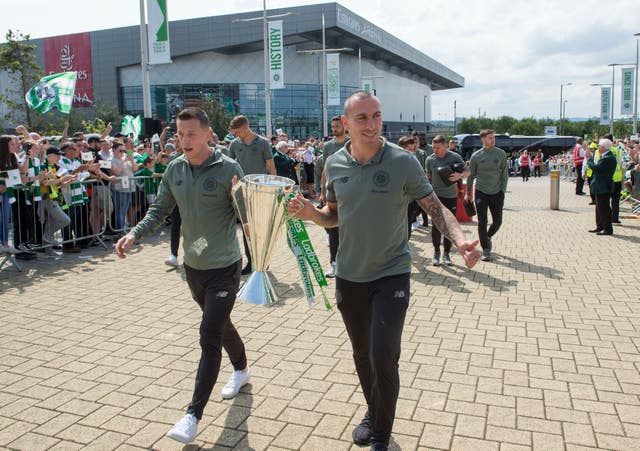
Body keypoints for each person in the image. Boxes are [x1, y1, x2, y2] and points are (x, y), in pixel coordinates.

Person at [287, 91, 481, 451]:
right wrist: (311, 215)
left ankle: (380, 436)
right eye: (361, 118)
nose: (372, 124)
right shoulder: (335, 164)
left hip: (391, 274)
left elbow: (435, 207)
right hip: (349, 274)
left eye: (376, 115)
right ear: (345, 124)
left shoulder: (402, 161)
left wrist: (459, 241)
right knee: (362, 355)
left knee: (383, 356)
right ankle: (374, 411)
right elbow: (333, 217)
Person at [116, 107, 251, 444]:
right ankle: (242, 369)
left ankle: (192, 416)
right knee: (220, 325)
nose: (184, 140)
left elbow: (247, 214)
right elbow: (159, 210)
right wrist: (134, 234)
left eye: (191, 134)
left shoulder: (228, 168)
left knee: (208, 336)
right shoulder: (174, 169)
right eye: (179, 134)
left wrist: (260, 254)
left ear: (208, 134)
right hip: (193, 267)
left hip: (225, 266)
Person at [228, 115, 276, 275]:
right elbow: (229, 166)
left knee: (260, 229)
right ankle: (251, 262)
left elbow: (271, 167)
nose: (236, 135)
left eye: (237, 132)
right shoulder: (235, 144)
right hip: (242, 194)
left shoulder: (262, 143)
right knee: (246, 228)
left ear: (244, 127)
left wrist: (274, 190)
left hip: (260, 193)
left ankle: (263, 259)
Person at [465, 129, 509, 262]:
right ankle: (486, 249)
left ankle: (487, 237)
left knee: (497, 221)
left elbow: (504, 174)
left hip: (497, 193)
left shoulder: (500, 154)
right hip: (481, 192)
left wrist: (503, 191)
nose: (493, 140)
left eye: (493, 138)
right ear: (483, 139)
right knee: (482, 222)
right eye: (490, 138)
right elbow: (471, 176)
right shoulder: (476, 156)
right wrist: (468, 194)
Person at [424, 135, 467, 266]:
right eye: (434, 147)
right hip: (435, 197)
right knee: (436, 226)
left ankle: (446, 254)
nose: (435, 150)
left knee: (449, 227)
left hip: (450, 197)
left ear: (445, 146)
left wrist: (460, 175)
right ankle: (436, 252)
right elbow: (427, 177)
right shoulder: (430, 159)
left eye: (438, 148)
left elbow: (468, 170)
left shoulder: (454, 157)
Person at [320, 116, 348, 278]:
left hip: (350, 193)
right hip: (333, 194)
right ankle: (333, 264)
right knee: (333, 230)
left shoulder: (352, 144)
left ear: (344, 126)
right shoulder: (328, 146)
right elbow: (325, 169)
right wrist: (323, 191)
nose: (334, 129)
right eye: (332, 126)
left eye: (337, 126)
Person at [586, 139, 616, 235]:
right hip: (600, 185)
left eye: (599, 146)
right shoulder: (605, 156)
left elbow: (596, 168)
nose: (598, 147)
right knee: (599, 207)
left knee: (604, 208)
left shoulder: (608, 158)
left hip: (603, 186)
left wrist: (589, 159)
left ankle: (607, 228)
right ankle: (600, 226)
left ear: (603, 147)